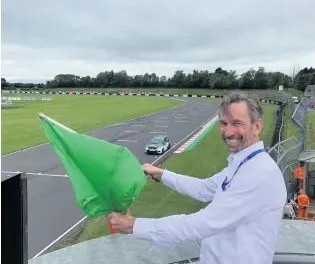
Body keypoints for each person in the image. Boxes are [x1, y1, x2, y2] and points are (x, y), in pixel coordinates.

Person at [107, 92, 287, 264]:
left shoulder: (258, 173)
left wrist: (135, 226)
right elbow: (204, 189)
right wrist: (162, 174)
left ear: (257, 126)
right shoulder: (243, 163)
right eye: (224, 123)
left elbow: (202, 223)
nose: (228, 131)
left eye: (237, 123)